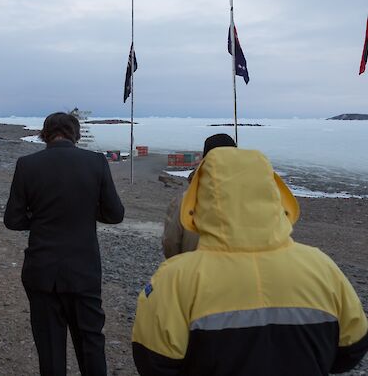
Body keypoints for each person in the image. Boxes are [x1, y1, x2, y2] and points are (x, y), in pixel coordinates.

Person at [132, 147, 368, 376]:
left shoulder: (175, 278)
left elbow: (153, 362)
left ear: (200, 198)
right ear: (273, 193)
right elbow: (351, 350)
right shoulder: (322, 266)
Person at [4, 112, 125, 376]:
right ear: (76, 134)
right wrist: (86, 212)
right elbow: (115, 214)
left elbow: (12, 220)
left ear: (44, 135)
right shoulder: (95, 162)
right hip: (84, 269)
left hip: (42, 269)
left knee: (49, 349)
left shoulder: (27, 164)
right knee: (91, 343)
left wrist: (39, 219)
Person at [161, 133, 236, 259]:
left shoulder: (184, 201)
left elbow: (170, 243)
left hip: (195, 274)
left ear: (204, 158)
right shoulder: (260, 199)